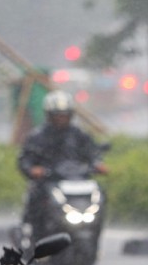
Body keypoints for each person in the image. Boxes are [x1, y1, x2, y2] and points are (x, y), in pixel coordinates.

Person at [17, 89, 109, 237]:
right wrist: (33, 169)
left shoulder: (79, 135)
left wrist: (97, 164)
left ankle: (95, 230)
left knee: (99, 193)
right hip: (49, 181)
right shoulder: (37, 137)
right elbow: (25, 159)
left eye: (65, 115)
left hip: (77, 181)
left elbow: (92, 152)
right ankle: (31, 233)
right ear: (49, 115)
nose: (61, 119)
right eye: (57, 116)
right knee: (36, 196)